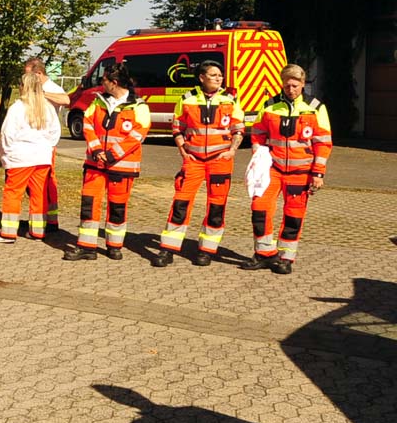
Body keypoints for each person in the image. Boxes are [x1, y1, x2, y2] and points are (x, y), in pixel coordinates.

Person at [240, 64, 332, 275]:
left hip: (301, 173)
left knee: (293, 215)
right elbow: (258, 133)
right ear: (282, 83)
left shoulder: (315, 107)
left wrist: (318, 173)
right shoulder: (270, 105)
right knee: (259, 208)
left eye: (295, 85)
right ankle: (264, 254)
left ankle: (285, 258)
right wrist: (258, 157)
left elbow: (323, 142)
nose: (291, 89)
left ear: (303, 84)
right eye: (287, 85)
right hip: (273, 169)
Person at [153, 61, 244, 268]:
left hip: (220, 160)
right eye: (213, 75)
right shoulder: (187, 99)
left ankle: (206, 250)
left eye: (220, 75)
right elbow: (177, 128)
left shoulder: (230, 100)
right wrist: (183, 150)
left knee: (216, 207)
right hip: (193, 160)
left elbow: (238, 129)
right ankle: (168, 249)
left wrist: (231, 151)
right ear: (201, 78)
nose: (219, 78)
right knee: (180, 204)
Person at [61, 63, 150, 261]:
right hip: (95, 165)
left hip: (121, 167)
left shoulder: (139, 106)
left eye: (104, 80)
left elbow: (137, 135)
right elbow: (87, 124)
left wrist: (110, 155)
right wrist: (97, 150)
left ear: (114, 83)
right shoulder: (98, 102)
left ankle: (114, 246)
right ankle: (87, 247)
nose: (102, 84)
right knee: (89, 204)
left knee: (117, 206)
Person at [0, 69, 61, 245]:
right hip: (42, 157)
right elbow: (55, 133)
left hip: (20, 157)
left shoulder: (17, 108)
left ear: (23, 87)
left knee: (12, 194)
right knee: (38, 194)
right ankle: (38, 231)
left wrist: (5, 155)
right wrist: (46, 147)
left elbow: (7, 134)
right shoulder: (46, 107)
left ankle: (8, 233)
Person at [24, 57, 69, 232]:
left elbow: (66, 100)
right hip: (31, 143)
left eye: (28, 74)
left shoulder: (51, 88)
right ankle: (39, 218)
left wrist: (42, 94)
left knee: (47, 181)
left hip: (46, 144)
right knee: (33, 184)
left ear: (39, 73)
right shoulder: (32, 87)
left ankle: (51, 220)